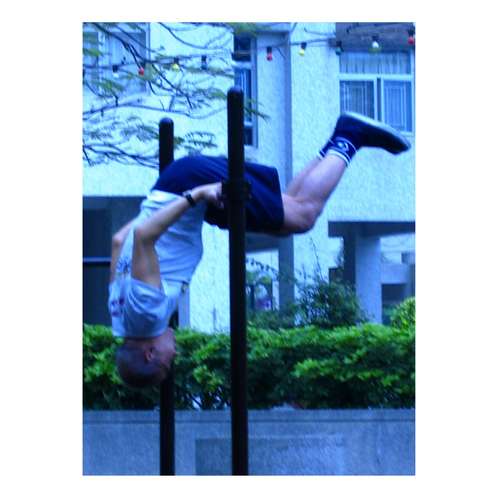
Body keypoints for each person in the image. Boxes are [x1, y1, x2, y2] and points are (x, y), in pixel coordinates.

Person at [108, 112, 411, 388]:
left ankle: (350, 136)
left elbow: (143, 236)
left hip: (191, 188)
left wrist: (196, 195)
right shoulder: (120, 321)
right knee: (286, 216)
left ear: (150, 353)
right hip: (177, 191)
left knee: (303, 215)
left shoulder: (147, 316)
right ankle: (337, 142)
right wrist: (163, 206)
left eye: (168, 360)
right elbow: (120, 240)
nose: (175, 353)